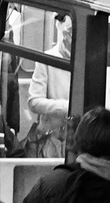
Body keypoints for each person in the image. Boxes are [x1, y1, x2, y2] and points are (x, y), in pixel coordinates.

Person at [24, 13, 74, 158]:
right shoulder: (47, 59)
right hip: (50, 137)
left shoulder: (88, 61)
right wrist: (66, 107)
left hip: (78, 138)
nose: (71, 38)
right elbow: (34, 102)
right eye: (69, 33)